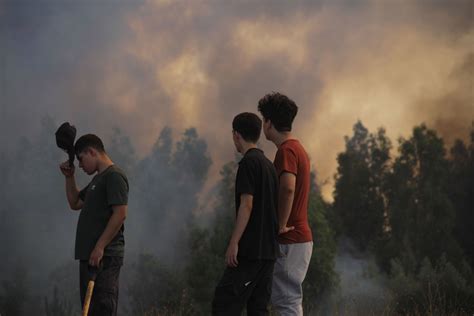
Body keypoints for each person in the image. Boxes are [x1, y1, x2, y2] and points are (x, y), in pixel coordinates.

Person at [212, 112, 279, 316]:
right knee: (258, 309)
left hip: (251, 252)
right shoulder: (268, 165)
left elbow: (247, 205)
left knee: (223, 303)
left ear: (236, 135)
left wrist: (234, 242)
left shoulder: (248, 164)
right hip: (268, 253)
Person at [59, 134, 128, 316]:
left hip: (105, 256)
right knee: (89, 311)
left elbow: (120, 214)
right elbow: (75, 203)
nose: (80, 166)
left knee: (102, 309)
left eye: (81, 160)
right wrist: (69, 177)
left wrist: (99, 247)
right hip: (91, 258)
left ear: (92, 152)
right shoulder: (97, 180)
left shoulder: (114, 176)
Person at [258, 92, 313, 315]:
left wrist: (280, 224)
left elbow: (288, 187)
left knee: (286, 302)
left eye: (264, 120)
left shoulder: (286, 151)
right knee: (287, 300)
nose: (263, 125)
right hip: (299, 238)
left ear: (269, 123)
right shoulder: (298, 149)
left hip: (290, 238)